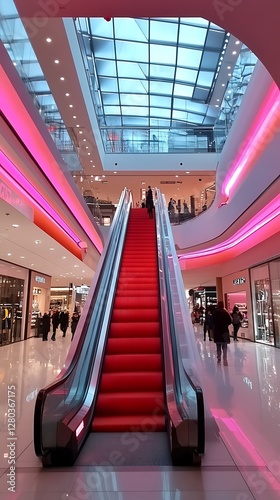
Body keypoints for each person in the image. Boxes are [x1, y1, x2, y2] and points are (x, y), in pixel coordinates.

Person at [212, 301, 232, 365]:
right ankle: (225, 359)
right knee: (225, 346)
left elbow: (213, 322)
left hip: (217, 331)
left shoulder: (215, 313)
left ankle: (219, 359)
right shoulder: (225, 313)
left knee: (218, 346)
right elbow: (229, 321)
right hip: (224, 331)